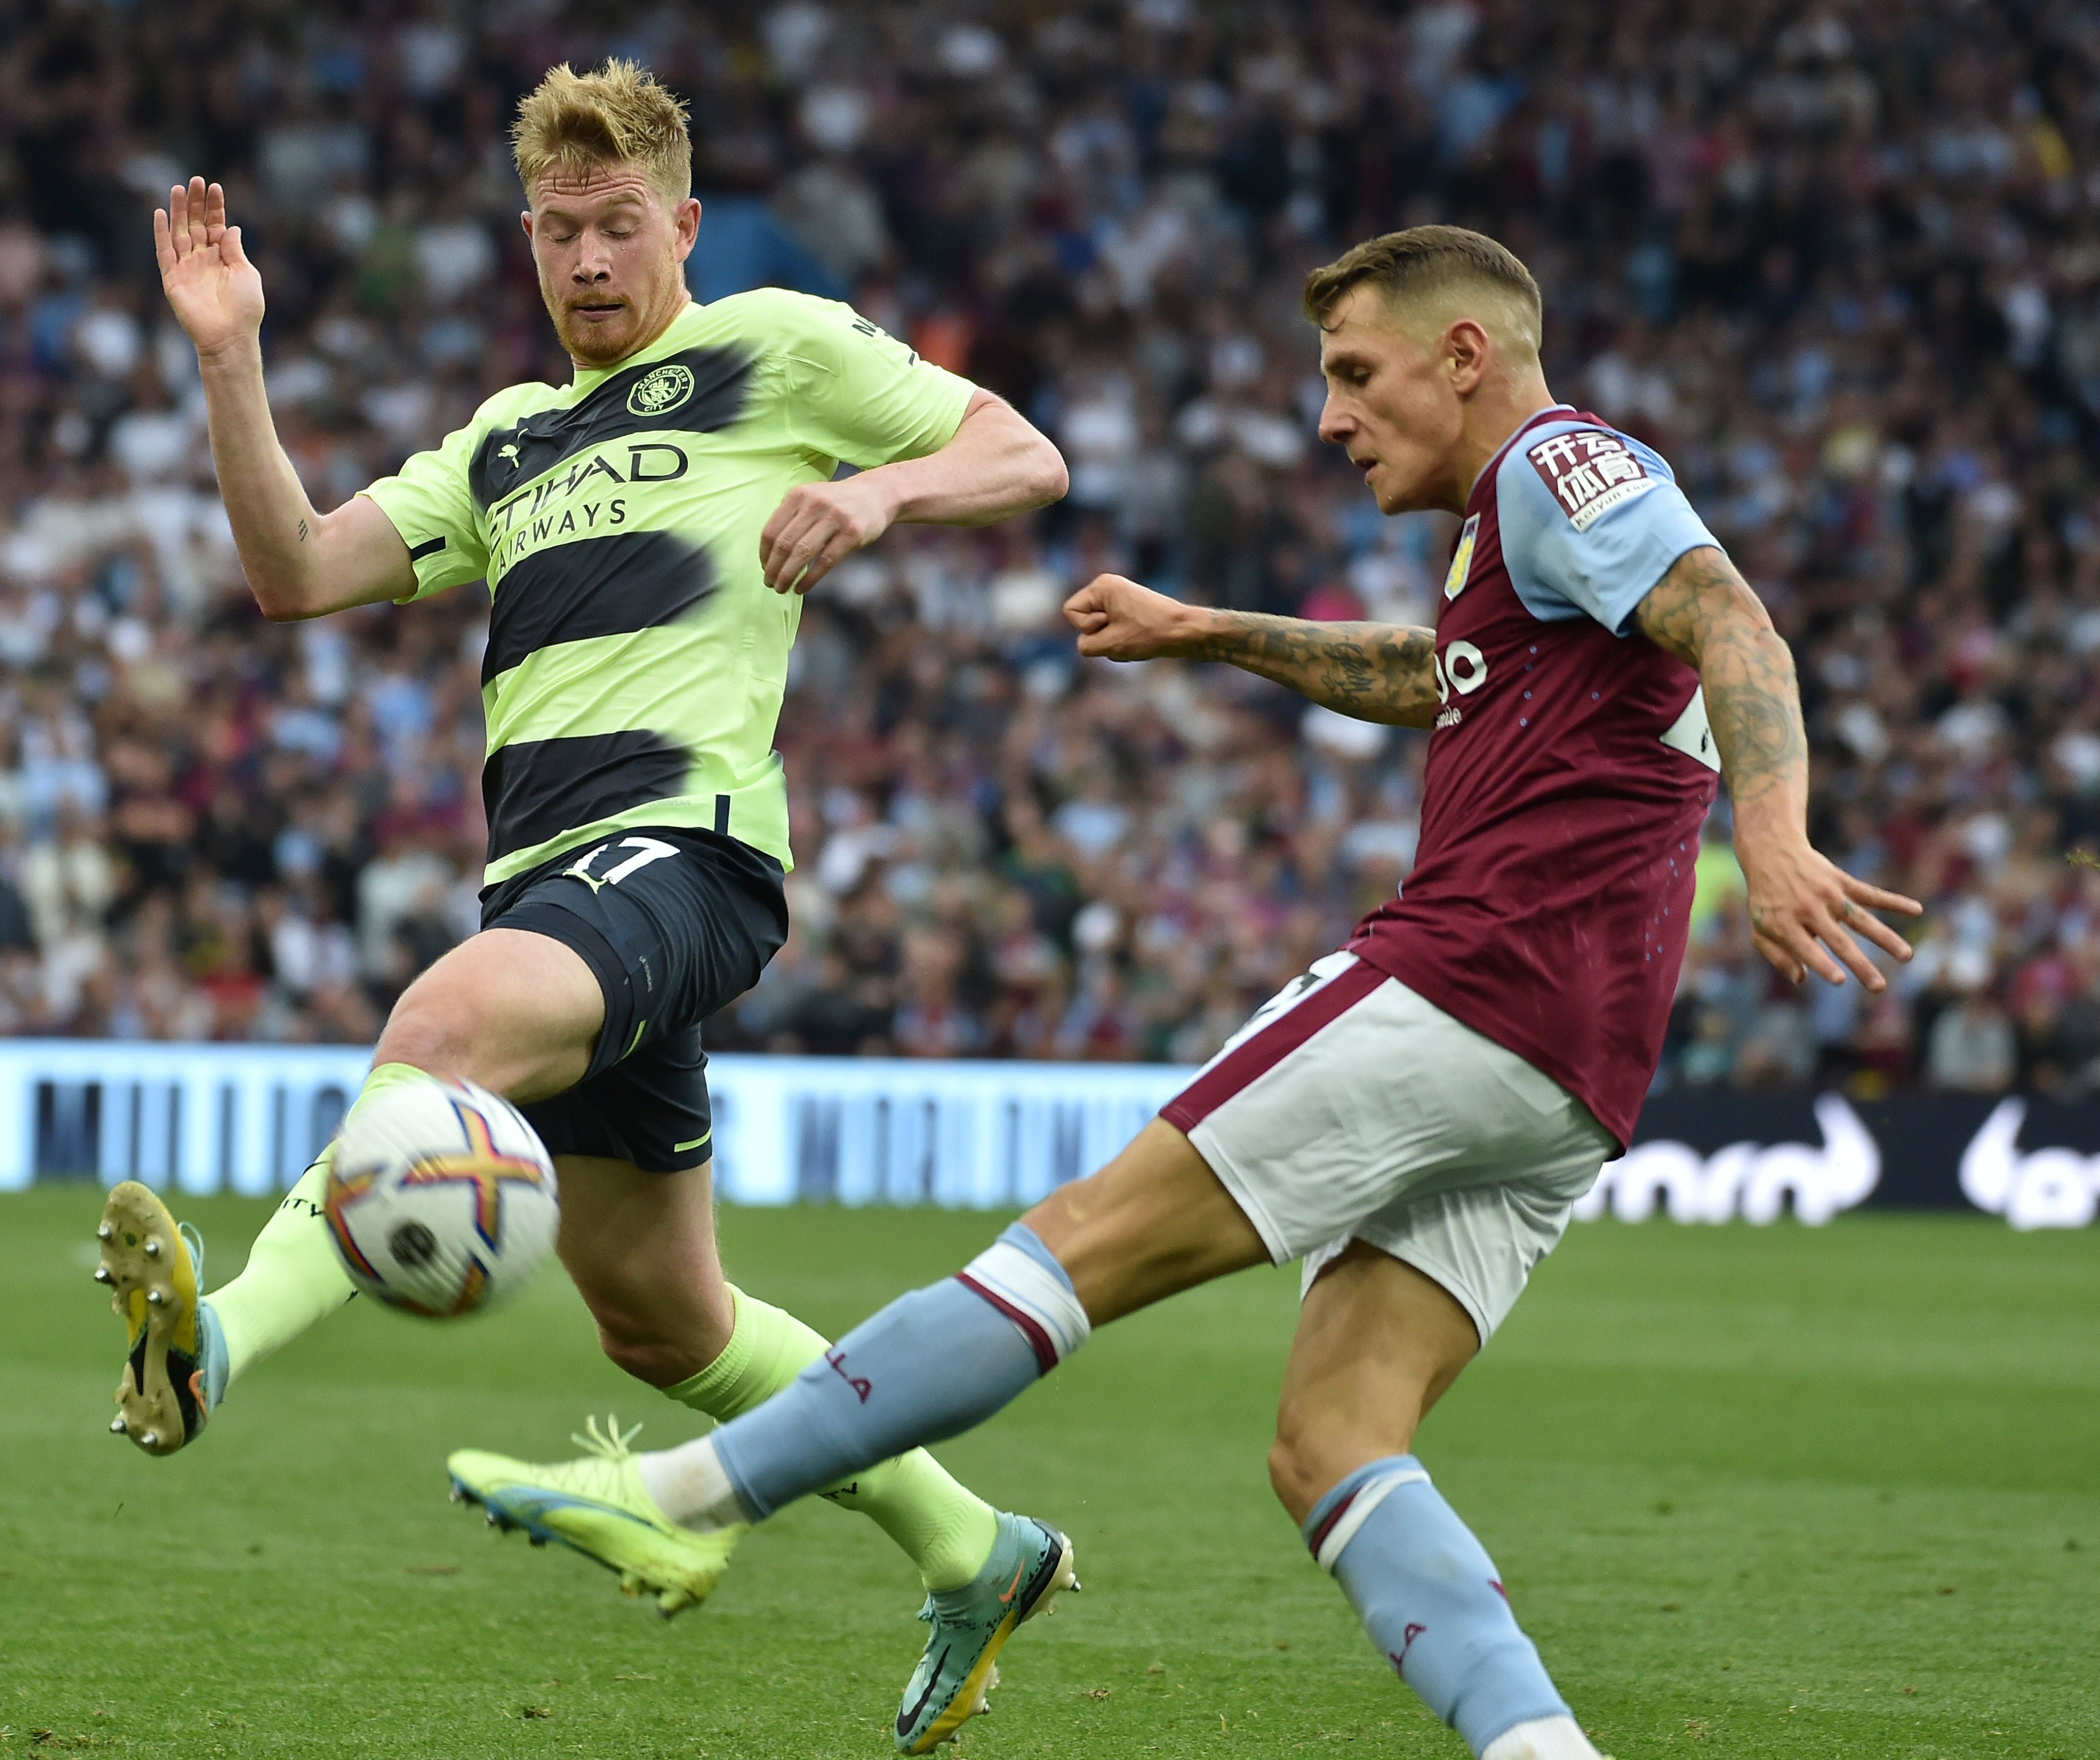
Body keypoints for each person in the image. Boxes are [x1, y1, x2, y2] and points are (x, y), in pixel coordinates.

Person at [453, 226, 1924, 1759]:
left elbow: (1729, 612)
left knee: (1074, 1244)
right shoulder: (1518, 537)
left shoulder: (1562, 465)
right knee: (1333, 1443)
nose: (1332, 417)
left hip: (1474, 977)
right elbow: (1443, 679)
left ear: (1465, 355)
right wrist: (1208, 631)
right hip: (1576, 1068)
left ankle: (687, 1498)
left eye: (1357, 375)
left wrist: (1772, 835)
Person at [93, 52, 1067, 1726]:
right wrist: (231, 353)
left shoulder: (772, 345)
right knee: (663, 1324)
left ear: (680, 225)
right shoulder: (504, 443)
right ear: (528, 248)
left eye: (618, 226)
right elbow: (293, 569)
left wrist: (879, 489)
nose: (590, 261)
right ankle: (978, 1549)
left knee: (439, 1029)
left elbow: (1021, 453)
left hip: (685, 853)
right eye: (559, 233)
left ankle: (216, 1350)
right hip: (555, 888)